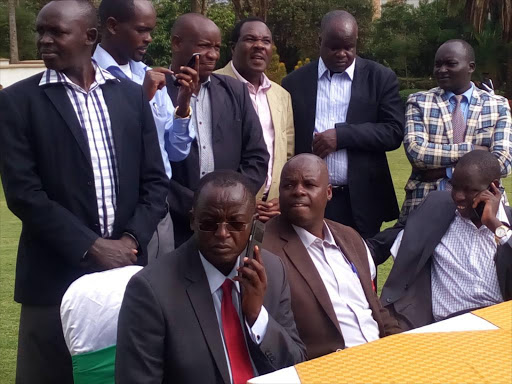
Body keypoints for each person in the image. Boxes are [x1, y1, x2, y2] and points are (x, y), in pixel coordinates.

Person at [0, 1, 168, 382]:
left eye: (55, 32)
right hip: (52, 277)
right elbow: (24, 193)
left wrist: (130, 240)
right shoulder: (17, 103)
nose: (44, 40)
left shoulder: (129, 97)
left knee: (121, 373)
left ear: (90, 37)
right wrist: (92, 246)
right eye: (40, 31)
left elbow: (155, 181)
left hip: (125, 274)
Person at [116, 170, 306, 384]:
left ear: (253, 225)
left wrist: (256, 317)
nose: (222, 234)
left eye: (235, 224)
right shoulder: (150, 290)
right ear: (192, 221)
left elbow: (296, 365)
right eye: (209, 223)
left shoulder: (271, 269)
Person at [262, 154, 401, 359]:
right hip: (329, 368)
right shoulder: (265, 248)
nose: (298, 191)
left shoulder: (350, 237)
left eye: (309, 184)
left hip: (383, 357)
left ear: (328, 193)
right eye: (289, 185)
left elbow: (374, 307)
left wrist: (401, 345)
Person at [282, 10, 404, 238]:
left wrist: (342, 136)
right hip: (308, 199)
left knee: (360, 269)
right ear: (320, 41)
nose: (342, 54)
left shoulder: (379, 78)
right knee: (308, 268)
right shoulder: (294, 83)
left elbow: (394, 131)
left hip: (360, 199)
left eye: (349, 47)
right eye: (334, 47)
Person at [94, 0, 199, 260]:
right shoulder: (87, 76)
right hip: (114, 210)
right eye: (141, 30)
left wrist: (184, 104)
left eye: (151, 30)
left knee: (160, 292)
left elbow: (175, 152)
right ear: (112, 26)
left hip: (157, 207)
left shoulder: (149, 75)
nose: (149, 38)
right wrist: (141, 100)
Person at [165, 13, 269, 246]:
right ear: (177, 43)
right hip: (172, 222)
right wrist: (196, 205)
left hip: (228, 227)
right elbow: (150, 165)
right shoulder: (155, 91)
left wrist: (231, 201)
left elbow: (257, 156)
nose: (212, 55)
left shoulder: (236, 92)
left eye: (217, 47)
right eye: (204, 46)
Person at [382, 151, 512, 331]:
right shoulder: (437, 209)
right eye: (454, 187)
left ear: (493, 188)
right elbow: (399, 241)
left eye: (469, 190)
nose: (458, 196)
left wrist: (495, 225)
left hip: (498, 328)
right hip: (444, 330)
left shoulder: (507, 226)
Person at [400, 40, 512, 220]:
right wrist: (473, 150)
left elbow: (504, 163)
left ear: (471, 67)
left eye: (450, 64)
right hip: (427, 205)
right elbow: (417, 152)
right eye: (438, 64)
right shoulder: (419, 102)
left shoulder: (497, 105)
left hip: (484, 207)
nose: (441, 70)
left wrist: (444, 171)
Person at [215, 17, 294, 223]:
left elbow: (287, 154)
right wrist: (242, 198)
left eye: (266, 41)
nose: (259, 46)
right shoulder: (212, 86)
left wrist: (281, 199)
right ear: (233, 48)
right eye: (250, 39)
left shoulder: (281, 96)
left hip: (271, 212)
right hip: (225, 211)